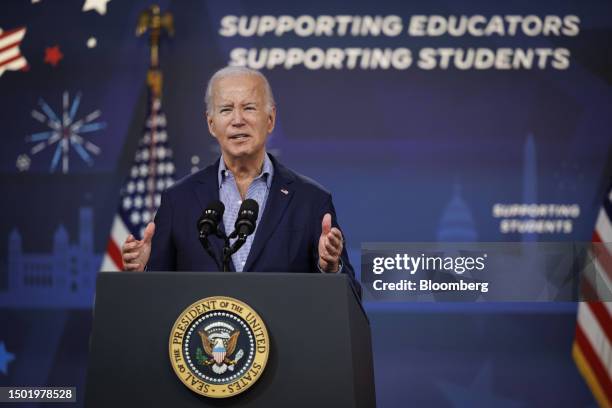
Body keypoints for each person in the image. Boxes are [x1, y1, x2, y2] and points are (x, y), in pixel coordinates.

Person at [121, 66, 354, 282]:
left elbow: (350, 293)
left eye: (249, 108)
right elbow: (157, 297)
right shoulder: (178, 201)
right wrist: (143, 273)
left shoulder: (310, 200)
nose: (238, 120)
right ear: (211, 124)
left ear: (270, 119)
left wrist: (330, 268)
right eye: (226, 109)